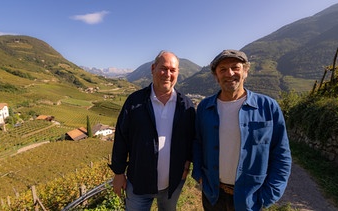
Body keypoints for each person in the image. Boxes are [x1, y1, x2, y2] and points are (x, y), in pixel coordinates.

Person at [192, 49, 292, 211]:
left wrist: (270, 193)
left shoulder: (268, 107)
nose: (229, 73)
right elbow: (197, 143)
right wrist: (199, 175)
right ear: (216, 76)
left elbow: (281, 154)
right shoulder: (205, 107)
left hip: (250, 199)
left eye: (235, 67)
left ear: (245, 71)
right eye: (222, 69)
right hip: (213, 196)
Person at [109, 50, 196, 211]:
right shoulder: (134, 102)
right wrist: (119, 173)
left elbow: (192, 140)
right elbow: (121, 138)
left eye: (172, 70)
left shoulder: (186, 106)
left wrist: (185, 169)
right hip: (139, 183)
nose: (167, 74)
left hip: (173, 185)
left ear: (177, 73)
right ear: (153, 68)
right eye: (163, 68)